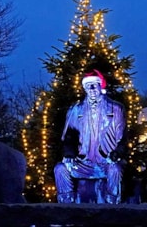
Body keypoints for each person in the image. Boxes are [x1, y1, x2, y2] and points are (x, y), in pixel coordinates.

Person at [54, 69, 127, 204]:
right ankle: (66, 206)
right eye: (88, 85)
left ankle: (112, 207)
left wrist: (116, 153)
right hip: (84, 162)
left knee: (115, 170)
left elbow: (121, 138)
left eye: (95, 84)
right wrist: (69, 152)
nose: (92, 88)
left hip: (106, 162)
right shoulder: (76, 110)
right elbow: (69, 136)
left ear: (101, 85)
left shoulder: (115, 108)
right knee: (60, 169)